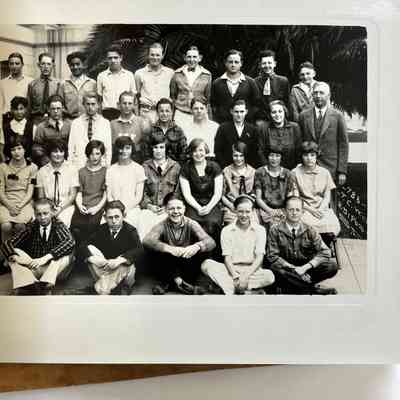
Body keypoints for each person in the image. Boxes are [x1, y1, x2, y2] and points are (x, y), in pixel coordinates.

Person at [143, 193, 215, 295]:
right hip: (169, 263)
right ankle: (180, 282)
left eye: (179, 208)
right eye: (171, 208)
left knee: (204, 251)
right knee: (154, 251)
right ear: (166, 210)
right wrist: (169, 248)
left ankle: (170, 283)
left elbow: (211, 242)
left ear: (184, 209)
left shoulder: (191, 223)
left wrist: (196, 246)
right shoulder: (162, 225)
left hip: (186, 262)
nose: (176, 212)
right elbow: (147, 240)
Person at [201, 195, 275, 295]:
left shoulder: (260, 230)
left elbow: (259, 258)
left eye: (247, 212)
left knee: (269, 276)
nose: (244, 215)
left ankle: (230, 289)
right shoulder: (227, 230)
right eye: (240, 211)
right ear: (235, 211)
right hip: (231, 269)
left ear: (253, 211)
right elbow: (227, 258)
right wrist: (235, 276)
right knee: (206, 265)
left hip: (252, 270)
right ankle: (243, 291)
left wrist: (245, 276)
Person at [1, 198, 75, 295]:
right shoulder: (32, 226)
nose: (42, 217)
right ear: (35, 214)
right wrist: (15, 257)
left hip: (52, 270)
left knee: (66, 255)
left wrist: (46, 258)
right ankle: (29, 283)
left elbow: (70, 242)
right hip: (34, 266)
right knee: (13, 252)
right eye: (39, 214)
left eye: (45, 213)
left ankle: (45, 285)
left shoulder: (58, 224)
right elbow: (7, 243)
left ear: (52, 213)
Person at [266, 196, 338, 295]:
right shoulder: (275, 230)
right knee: (274, 268)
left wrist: (305, 268)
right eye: (291, 210)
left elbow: (325, 252)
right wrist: (294, 269)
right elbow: (272, 256)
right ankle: (312, 290)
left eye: (297, 210)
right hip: (286, 268)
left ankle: (295, 287)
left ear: (302, 212)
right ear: (285, 211)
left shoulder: (310, 230)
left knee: (332, 266)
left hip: (305, 267)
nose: (294, 213)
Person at [83, 200, 142, 295]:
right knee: (90, 249)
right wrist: (94, 259)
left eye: (117, 217)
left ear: (124, 216)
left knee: (125, 264)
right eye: (110, 217)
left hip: (122, 272)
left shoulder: (130, 230)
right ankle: (111, 287)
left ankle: (101, 289)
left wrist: (120, 260)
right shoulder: (102, 229)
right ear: (105, 218)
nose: (114, 221)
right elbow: (83, 245)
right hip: (105, 269)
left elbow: (139, 249)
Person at [289, 141, 341, 243]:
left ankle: (324, 246)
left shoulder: (324, 172)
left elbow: (327, 196)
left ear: (317, 156)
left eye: (312, 155)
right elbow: (295, 198)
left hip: (321, 208)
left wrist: (320, 209)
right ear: (301, 156)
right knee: (306, 225)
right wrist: (311, 210)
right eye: (306, 155)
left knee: (331, 224)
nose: (309, 158)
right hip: (304, 208)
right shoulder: (294, 173)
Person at [299, 81, 349, 186]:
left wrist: (342, 171)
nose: (318, 96)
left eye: (321, 93)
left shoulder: (337, 116)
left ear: (328, 95)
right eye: (315, 93)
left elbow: (343, 144)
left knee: (329, 195)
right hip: (309, 166)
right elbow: (300, 141)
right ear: (312, 95)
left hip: (331, 167)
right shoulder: (303, 116)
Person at [137, 135, 181, 239]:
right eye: (155, 147)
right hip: (150, 208)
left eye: (161, 147)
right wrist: (149, 206)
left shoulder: (175, 167)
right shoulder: (145, 166)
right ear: (151, 149)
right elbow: (142, 191)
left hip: (169, 209)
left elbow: (178, 192)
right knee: (143, 221)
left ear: (166, 149)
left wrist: (168, 207)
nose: (158, 150)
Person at [179, 138, 223, 241]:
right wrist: (198, 208)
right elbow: (187, 194)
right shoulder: (186, 168)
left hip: (211, 203)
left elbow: (218, 193)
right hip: (193, 204)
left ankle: (212, 249)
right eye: (195, 151)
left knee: (213, 222)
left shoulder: (215, 167)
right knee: (191, 223)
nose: (198, 154)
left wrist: (209, 207)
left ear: (206, 151)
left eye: (201, 150)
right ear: (191, 153)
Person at [0, 135, 37, 245]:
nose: (16, 152)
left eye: (19, 148)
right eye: (13, 149)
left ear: (25, 149)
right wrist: (10, 206)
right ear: (9, 151)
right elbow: (0, 191)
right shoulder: (2, 167)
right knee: (6, 226)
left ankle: (20, 252)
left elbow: (30, 191)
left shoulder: (33, 167)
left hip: (24, 202)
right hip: (6, 202)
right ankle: (6, 252)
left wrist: (19, 206)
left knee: (20, 226)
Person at [70, 140, 107, 246]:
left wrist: (97, 208)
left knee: (93, 226)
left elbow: (106, 194)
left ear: (102, 155)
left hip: (98, 206)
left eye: (97, 154)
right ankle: (79, 250)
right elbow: (79, 192)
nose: (94, 157)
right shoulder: (81, 172)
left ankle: (90, 250)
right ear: (87, 155)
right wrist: (80, 206)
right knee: (76, 226)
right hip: (84, 206)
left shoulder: (105, 171)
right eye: (91, 154)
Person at [36, 139, 79, 228]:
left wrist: (60, 208)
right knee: (40, 222)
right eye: (55, 151)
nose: (58, 154)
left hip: (66, 206)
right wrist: (48, 209)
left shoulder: (72, 169)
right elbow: (41, 196)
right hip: (47, 207)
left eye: (61, 151)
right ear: (49, 153)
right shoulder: (42, 171)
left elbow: (72, 195)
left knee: (61, 222)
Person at [210, 49, 261, 124]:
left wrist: (248, 116)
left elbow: (257, 103)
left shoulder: (250, 82)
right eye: (230, 62)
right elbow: (213, 104)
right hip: (223, 124)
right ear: (225, 63)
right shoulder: (217, 83)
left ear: (241, 63)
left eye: (236, 62)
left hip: (246, 124)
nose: (233, 65)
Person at [106, 136, 146, 229]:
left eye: (127, 148)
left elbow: (138, 196)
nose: (124, 151)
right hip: (114, 209)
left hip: (132, 208)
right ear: (117, 149)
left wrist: (126, 208)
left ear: (132, 149)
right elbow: (109, 195)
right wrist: (116, 210)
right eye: (121, 148)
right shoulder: (111, 170)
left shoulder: (138, 169)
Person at [170, 46, 212, 132]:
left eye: (194, 57)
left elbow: (208, 98)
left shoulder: (207, 75)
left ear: (200, 58)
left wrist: (209, 119)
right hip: (181, 113)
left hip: (200, 114)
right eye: (189, 57)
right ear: (185, 58)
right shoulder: (177, 73)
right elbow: (173, 96)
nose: (191, 60)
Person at [0, 53, 33, 155]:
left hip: (24, 119)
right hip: (7, 119)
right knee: (8, 150)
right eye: (11, 63)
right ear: (9, 65)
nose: (14, 66)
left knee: (24, 149)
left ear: (22, 65)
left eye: (17, 63)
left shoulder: (30, 82)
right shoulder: (2, 83)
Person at [68, 92, 112, 169]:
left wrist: (107, 166)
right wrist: (71, 166)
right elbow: (71, 147)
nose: (90, 107)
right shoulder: (76, 123)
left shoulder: (105, 123)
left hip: (99, 166)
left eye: (93, 104)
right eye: (88, 104)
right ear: (83, 105)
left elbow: (108, 148)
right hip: (79, 165)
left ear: (98, 105)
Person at [254, 146, 292, 232]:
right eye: (271, 155)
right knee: (273, 227)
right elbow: (258, 199)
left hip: (284, 210)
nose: (274, 159)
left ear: (281, 157)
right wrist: (270, 211)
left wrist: (284, 211)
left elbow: (290, 196)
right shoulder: (260, 172)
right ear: (267, 156)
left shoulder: (287, 173)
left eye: (277, 156)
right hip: (265, 209)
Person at [134, 42, 174, 124]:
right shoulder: (139, 73)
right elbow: (136, 97)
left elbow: (173, 96)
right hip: (146, 113)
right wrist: (137, 116)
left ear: (162, 56)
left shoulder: (170, 73)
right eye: (152, 55)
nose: (155, 58)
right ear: (148, 56)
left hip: (164, 113)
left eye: (157, 55)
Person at [257, 100, 302, 170]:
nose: (277, 115)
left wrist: (296, 168)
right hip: (270, 169)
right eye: (274, 112)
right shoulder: (263, 128)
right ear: (270, 114)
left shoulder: (294, 127)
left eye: (280, 111)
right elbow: (261, 151)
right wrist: (267, 169)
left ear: (285, 112)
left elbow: (299, 149)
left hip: (291, 169)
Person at [214, 99, 259, 168]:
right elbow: (218, 150)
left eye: (242, 112)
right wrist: (225, 167)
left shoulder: (252, 129)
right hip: (227, 167)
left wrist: (249, 169)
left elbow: (255, 152)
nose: (239, 115)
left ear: (246, 112)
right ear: (231, 111)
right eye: (236, 112)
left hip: (247, 168)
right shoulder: (223, 128)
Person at [110, 91, 151, 164]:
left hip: (136, 161)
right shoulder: (112, 124)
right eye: (124, 103)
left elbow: (146, 147)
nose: (127, 106)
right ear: (119, 105)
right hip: (117, 161)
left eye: (130, 103)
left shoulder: (141, 122)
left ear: (134, 105)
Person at [97, 45, 136, 121]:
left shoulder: (129, 75)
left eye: (115, 57)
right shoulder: (101, 76)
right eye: (110, 58)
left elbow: (134, 98)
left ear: (121, 58)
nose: (113, 60)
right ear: (107, 59)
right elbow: (99, 99)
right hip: (107, 114)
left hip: (124, 113)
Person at [221, 141, 257, 225]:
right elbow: (222, 195)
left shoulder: (252, 172)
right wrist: (231, 206)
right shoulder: (227, 171)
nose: (238, 159)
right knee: (233, 225)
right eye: (235, 155)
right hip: (231, 207)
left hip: (248, 207)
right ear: (231, 155)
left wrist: (247, 207)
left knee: (254, 224)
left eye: (241, 155)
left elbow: (254, 194)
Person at [143, 98, 187, 164]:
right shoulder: (150, 130)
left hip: (174, 167)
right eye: (161, 111)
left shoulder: (178, 131)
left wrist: (177, 167)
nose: (164, 114)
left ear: (172, 112)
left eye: (167, 111)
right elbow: (146, 154)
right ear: (157, 112)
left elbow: (183, 153)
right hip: (155, 167)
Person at [32, 94, 71, 167]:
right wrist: (47, 162)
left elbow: (73, 146)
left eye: (58, 108)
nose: (56, 111)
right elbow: (37, 148)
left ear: (63, 108)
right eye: (53, 109)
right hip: (47, 164)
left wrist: (68, 162)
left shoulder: (69, 125)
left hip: (66, 164)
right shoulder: (41, 127)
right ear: (48, 109)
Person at [254, 50, 290, 123]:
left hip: (279, 117)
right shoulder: (254, 82)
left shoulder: (283, 81)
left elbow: (287, 101)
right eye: (264, 63)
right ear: (260, 65)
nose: (267, 66)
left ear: (274, 64)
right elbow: (254, 104)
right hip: (262, 119)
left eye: (269, 63)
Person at [60, 51, 97, 120]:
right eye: (72, 65)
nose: (75, 67)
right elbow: (60, 104)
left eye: (78, 64)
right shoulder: (63, 84)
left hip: (87, 120)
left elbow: (97, 103)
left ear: (83, 65)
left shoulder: (92, 83)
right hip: (70, 120)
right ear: (69, 66)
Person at [27, 52, 61, 126]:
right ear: (39, 65)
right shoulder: (32, 84)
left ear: (53, 66)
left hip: (53, 121)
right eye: (43, 64)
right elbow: (29, 107)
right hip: (36, 121)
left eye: (49, 64)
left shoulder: (58, 84)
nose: (46, 67)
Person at [2, 96, 34, 161]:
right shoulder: (6, 127)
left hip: (27, 161)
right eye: (16, 109)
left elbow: (33, 148)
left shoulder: (32, 126)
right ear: (12, 110)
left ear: (25, 109)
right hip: (10, 162)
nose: (19, 112)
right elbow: (2, 148)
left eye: (21, 109)